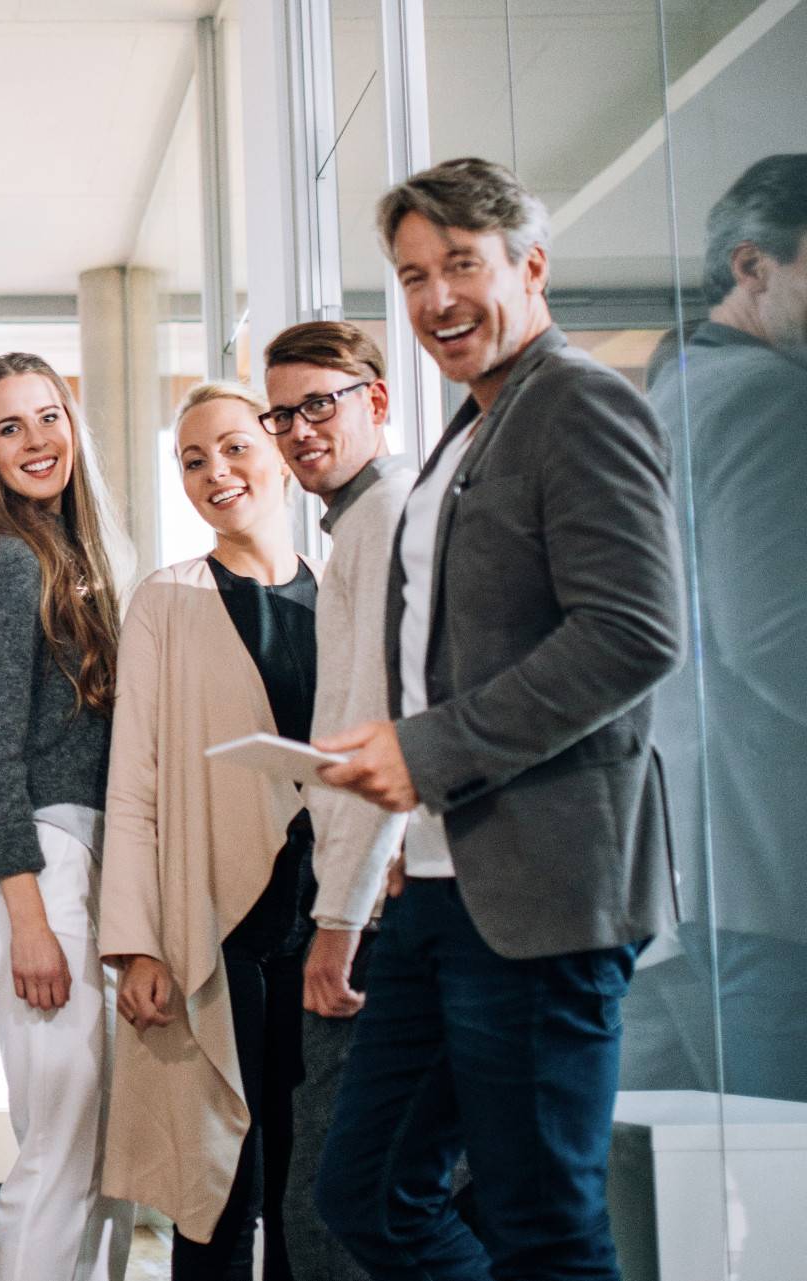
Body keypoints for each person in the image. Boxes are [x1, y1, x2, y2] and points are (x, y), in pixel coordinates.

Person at [313, 157, 683, 1281]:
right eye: (413, 275)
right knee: (366, 1194)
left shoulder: (578, 402)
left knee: (545, 1225)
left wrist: (426, 754)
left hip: (543, 895)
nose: (436, 300)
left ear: (530, 266)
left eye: (461, 266)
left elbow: (633, 633)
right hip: (439, 885)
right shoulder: (471, 429)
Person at [101, 382, 320, 1281]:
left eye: (232, 447)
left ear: (278, 452)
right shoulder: (167, 599)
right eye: (192, 460)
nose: (214, 472)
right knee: (220, 1188)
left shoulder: (345, 591)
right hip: (216, 928)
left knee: (311, 1190)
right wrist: (137, 943)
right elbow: (134, 782)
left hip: (335, 929)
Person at [0, 351, 134, 1281]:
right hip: (39, 870)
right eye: (9, 426)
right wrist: (28, 917)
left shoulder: (81, 558)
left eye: (48, 416)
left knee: (104, 1160)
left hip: (85, 864)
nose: (36, 440)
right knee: (60, 1154)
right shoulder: (10, 562)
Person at [627, 153, 807, 1103]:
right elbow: (781, 635)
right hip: (764, 879)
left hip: (678, 886)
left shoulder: (667, 403)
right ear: (754, 266)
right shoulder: (767, 399)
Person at [260, 321, 415, 1279]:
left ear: (378, 401)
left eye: (321, 402)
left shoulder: (387, 519)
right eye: (284, 412)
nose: (299, 429)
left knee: (333, 1191)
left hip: (378, 913)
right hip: (387, 896)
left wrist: (338, 917)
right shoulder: (359, 523)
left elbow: (380, 730)